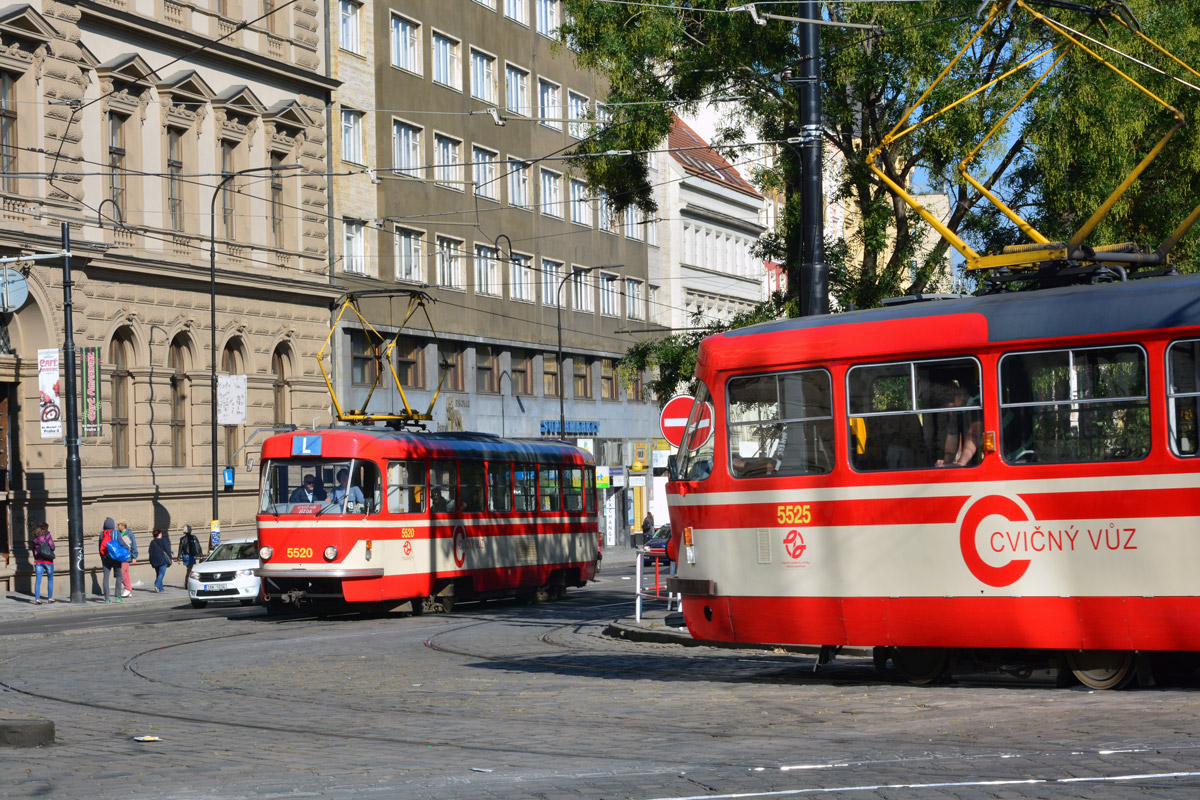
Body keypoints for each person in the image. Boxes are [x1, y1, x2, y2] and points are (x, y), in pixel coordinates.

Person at [99, 517, 123, 604]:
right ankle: (118, 596)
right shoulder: (116, 532)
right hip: (116, 558)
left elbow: (100, 548)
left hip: (106, 558)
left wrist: (103, 558)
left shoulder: (102, 534)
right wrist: (127, 549)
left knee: (106, 577)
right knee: (119, 576)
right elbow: (121, 543)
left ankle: (107, 598)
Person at [31, 522, 55, 604]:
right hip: (48, 561)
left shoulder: (35, 537)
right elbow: (52, 547)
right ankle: (50, 598)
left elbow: (33, 549)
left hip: (38, 561)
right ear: (46, 528)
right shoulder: (47, 536)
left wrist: (36, 557)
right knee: (50, 579)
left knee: (38, 580)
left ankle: (37, 599)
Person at [116, 521, 136, 598]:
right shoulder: (118, 533)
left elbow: (133, 545)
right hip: (120, 556)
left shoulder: (129, 534)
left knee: (122, 573)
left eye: (119, 525)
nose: (118, 526)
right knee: (126, 573)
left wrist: (134, 556)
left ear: (123, 526)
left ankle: (127, 589)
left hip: (127, 556)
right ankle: (129, 590)